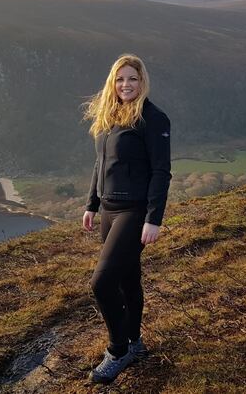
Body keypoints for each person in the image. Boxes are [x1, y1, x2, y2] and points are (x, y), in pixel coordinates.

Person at [81, 54, 172, 384]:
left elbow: (162, 172)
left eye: (132, 78)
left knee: (101, 282)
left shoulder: (152, 118)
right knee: (126, 279)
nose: (126, 85)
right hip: (108, 210)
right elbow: (99, 165)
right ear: (112, 82)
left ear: (142, 81)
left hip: (134, 212)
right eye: (120, 79)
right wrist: (91, 204)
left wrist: (153, 218)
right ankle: (135, 342)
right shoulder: (110, 115)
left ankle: (118, 350)